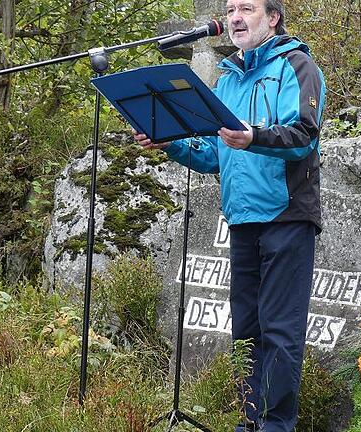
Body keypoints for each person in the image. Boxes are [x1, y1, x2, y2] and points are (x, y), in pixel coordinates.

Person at [133, 0, 326, 430]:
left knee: (280, 331)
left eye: (247, 8)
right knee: (247, 333)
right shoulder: (227, 78)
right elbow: (212, 155)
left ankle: (276, 425)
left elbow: (303, 137)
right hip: (241, 219)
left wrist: (252, 137)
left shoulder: (297, 65)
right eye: (230, 8)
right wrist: (171, 144)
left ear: (273, 17)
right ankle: (250, 422)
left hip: (286, 216)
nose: (235, 17)